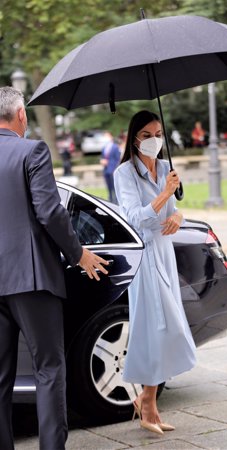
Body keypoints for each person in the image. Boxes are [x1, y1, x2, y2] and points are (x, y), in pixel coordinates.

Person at [0, 86, 109, 450]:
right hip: (31, 279)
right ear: (21, 116)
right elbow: (50, 211)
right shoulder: (32, 150)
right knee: (49, 369)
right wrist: (79, 254)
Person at [114, 110, 196, 435]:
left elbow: (172, 215)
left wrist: (179, 217)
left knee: (162, 330)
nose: (154, 140)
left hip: (165, 255)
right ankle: (147, 401)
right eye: (146, 135)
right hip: (144, 258)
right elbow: (136, 219)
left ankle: (148, 403)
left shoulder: (165, 168)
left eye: (158, 133)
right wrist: (164, 193)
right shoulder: (124, 173)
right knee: (160, 329)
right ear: (134, 138)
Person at [100, 132, 121, 203]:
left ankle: (115, 202)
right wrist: (102, 161)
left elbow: (117, 159)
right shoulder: (104, 148)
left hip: (112, 170)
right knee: (108, 187)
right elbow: (102, 157)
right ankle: (110, 200)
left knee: (114, 188)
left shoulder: (115, 147)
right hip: (106, 170)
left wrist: (114, 169)